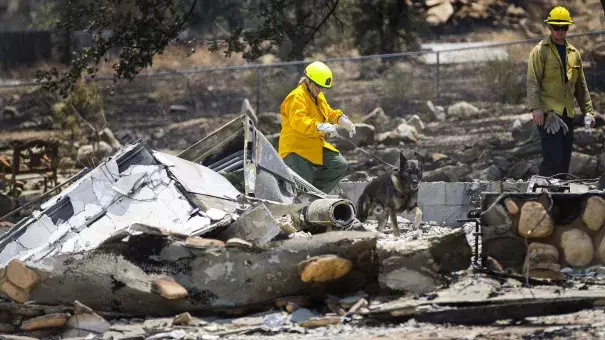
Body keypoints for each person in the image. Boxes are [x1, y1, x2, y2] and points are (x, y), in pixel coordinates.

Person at [526, 6, 595, 178]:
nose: (560, 31)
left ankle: (559, 197)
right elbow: (532, 81)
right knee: (552, 158)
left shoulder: (574, 54)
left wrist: (588, 112)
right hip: (549, 114)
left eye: (564, 27)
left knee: (564, 159)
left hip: (567, 113)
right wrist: (535, 108)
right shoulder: (540, 51)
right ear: (549, 28)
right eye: (556, 28)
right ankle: (542, 196)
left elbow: (581, 86)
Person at [278, 61, 356, 194]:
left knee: (339, 165)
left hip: (313, 145)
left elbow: (327, 111)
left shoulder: (317, 95)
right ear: (309, 81)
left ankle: (315, 195)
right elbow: (299, 121)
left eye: (324, 87)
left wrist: (341, 119)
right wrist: (320, 126)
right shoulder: (296, 97)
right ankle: (305, 200)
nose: (322, 90)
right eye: (319, 86)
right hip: (296, 149)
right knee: (305, 183)